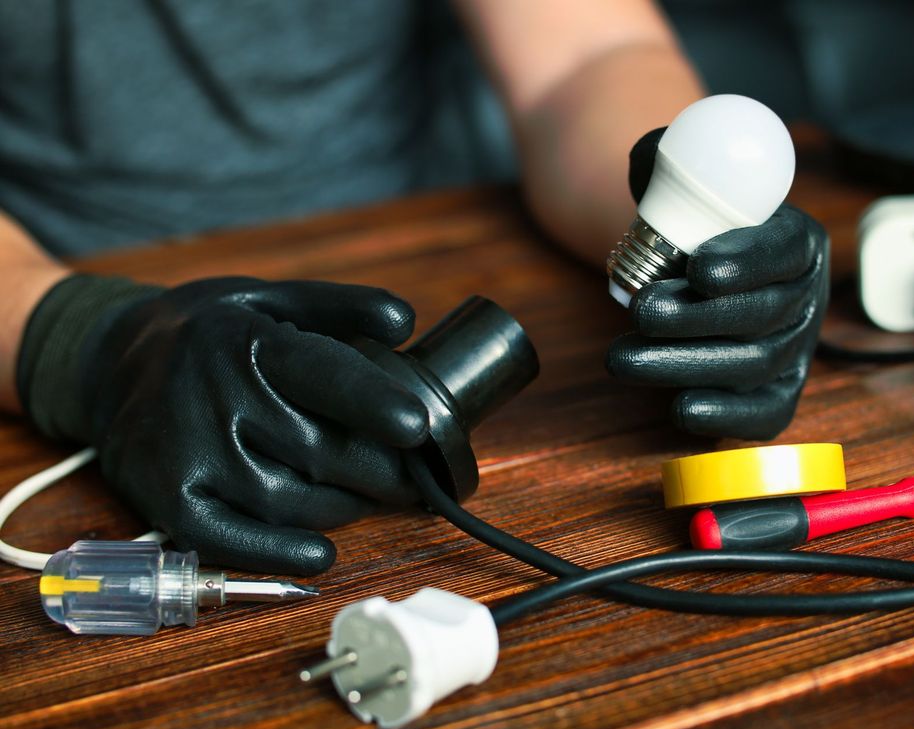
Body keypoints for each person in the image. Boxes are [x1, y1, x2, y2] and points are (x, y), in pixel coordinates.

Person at [0, 1, 828, 574]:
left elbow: (586, 57)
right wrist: (85, 341)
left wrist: (703, 249)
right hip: (65, 279)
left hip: (427, 253)